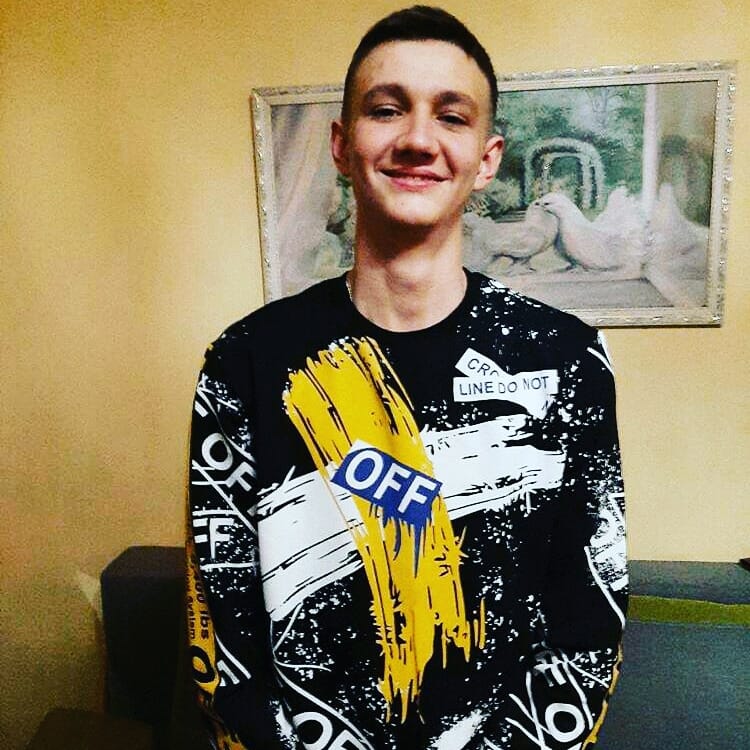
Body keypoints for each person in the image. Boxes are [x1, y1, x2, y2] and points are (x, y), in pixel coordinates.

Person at [186, 6, 627, 749]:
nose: (418, 139)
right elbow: (222, 636)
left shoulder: (567, 359)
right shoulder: (244, 361)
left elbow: (588, 625)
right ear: (341, 144)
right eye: (387, 109)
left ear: (487, 159)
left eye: (451, 116)